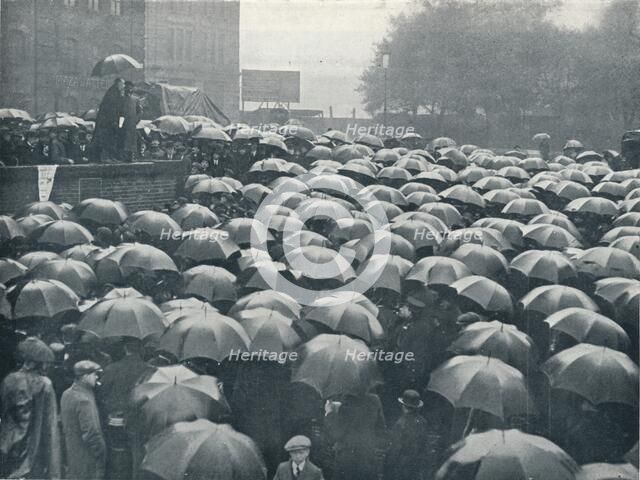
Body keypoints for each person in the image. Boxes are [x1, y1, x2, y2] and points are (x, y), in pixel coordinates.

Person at [0, 337, 61, 479]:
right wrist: (55, 474)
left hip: (8, 450)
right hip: (33, 456)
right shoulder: (45, 384)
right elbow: (51, 428)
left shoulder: (9, 380)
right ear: (39, 362)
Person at [60, 360, 106, 480]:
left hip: (72, 454)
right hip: (88, 458)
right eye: (94, 374)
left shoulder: (67, 394)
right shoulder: (84, 400)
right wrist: (102, 453)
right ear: (85, 376)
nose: (97, 377)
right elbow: (92, 433)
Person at [384, 390, 430, 480]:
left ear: (403, 406)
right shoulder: (423, 422)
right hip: (416, 465)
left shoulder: (401, 423)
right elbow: (425, 444)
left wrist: (388, 464)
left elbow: (396, 447)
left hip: (401, 465)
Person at [93, 78, 125, 162]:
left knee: (111, 139)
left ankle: (111, 157)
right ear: (118, 84)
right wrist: (113, 121)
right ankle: (106, 157)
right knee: (107, 139)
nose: (124, 86)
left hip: (109, 121)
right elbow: (112, 109)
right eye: (123, 84)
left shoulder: (115, 93)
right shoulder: (112, 94)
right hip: (107, 122)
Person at [119, 81, 140, 162]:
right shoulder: (121, 98)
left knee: (131, 140)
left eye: (130, 87)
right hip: (123, 122)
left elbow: (139, 111)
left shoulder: (135, 99)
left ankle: (131, 156)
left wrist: (136, 120)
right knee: (123, 138)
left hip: (131, 123)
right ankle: (122, 156)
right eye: (127, 87)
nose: (129, 89)